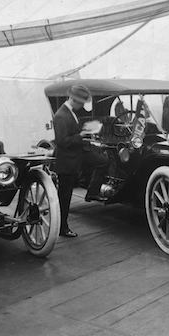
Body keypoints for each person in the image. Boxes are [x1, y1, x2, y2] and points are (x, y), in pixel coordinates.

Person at [53, 84, 108, 237]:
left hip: (76, 155)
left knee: (102, 161)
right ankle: (62, 227)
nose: (82, 105)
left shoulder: (69, 112)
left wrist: (85, 131)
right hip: (67, 161)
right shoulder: (61, 116)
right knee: (64, 197)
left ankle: (92, 191)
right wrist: (82, 135)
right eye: (81, 102)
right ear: (73, 99)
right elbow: (62, 141)